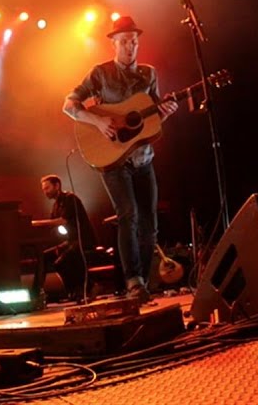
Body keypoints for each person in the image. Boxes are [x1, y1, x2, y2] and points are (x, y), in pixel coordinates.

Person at [62, 16, 177, 301]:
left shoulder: (149, 74)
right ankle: (132, 280)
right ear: (114, 43)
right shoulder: (100, 74)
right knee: (129, 215)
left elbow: (151, 114)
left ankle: (147, 280)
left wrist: (165, 112)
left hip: (143, 157)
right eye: (124, 41)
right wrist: (98, 122)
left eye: (134, 41)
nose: (130, 47)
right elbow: (69, 104)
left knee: (150, 222)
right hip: (112, 160)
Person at [32, 174, 97, 302]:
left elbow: (61, 221)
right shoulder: (56, 204)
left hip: (83, 239)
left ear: (57, 186)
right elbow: (52, 224)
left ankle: (88, 287)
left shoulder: (70, 199)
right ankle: (36, 293)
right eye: (43, 189)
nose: (45, 192)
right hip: (70, 242)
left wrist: (35, 223)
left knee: (63, 260)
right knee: (45, 256)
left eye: (47, 188)